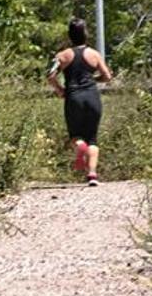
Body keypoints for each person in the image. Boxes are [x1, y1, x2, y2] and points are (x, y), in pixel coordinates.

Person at [46, 18, 113, 187]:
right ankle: (92, 174)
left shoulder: (62, 55)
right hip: (92, 97)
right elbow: (107, 77)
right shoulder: (94, 54)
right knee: (92, 138)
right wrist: (93, 79)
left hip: (73, 97)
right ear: (86, 34)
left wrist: (60, 90)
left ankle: (79, 145)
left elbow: (50, 75)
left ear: (69, 36)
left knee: (75, 136)